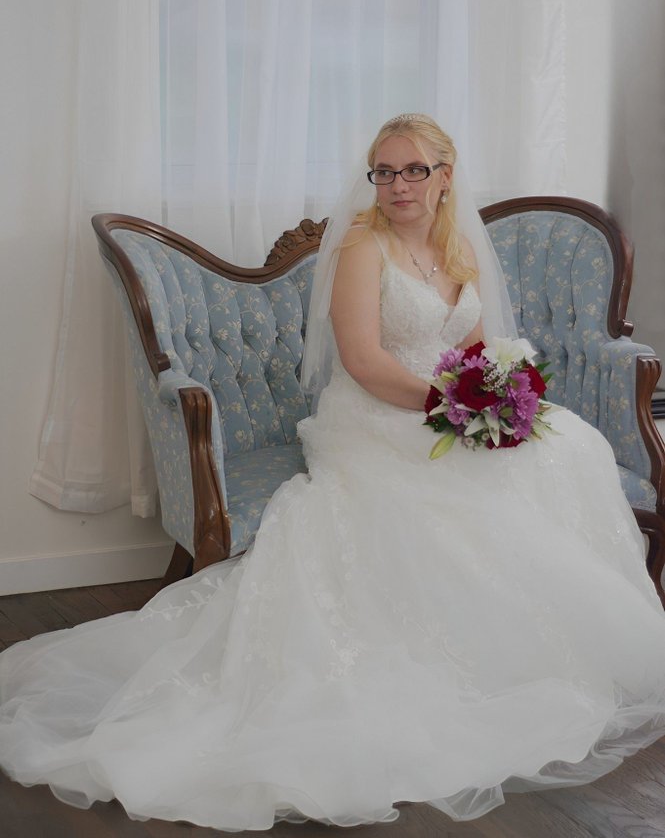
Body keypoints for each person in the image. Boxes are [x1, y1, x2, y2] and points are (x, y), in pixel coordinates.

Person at [2, 113, 665, 831]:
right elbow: (365, 362)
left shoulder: (460, 249)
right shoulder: (359, 247)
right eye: (384, 171)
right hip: (376, 416)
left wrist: (495, 395)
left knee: (564, 445)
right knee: (453, 496)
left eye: (413, 170)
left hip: (446, 407)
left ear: (445, 177)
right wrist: (454, 405)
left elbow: (474, 346)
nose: (397, 185)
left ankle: (541, 652)